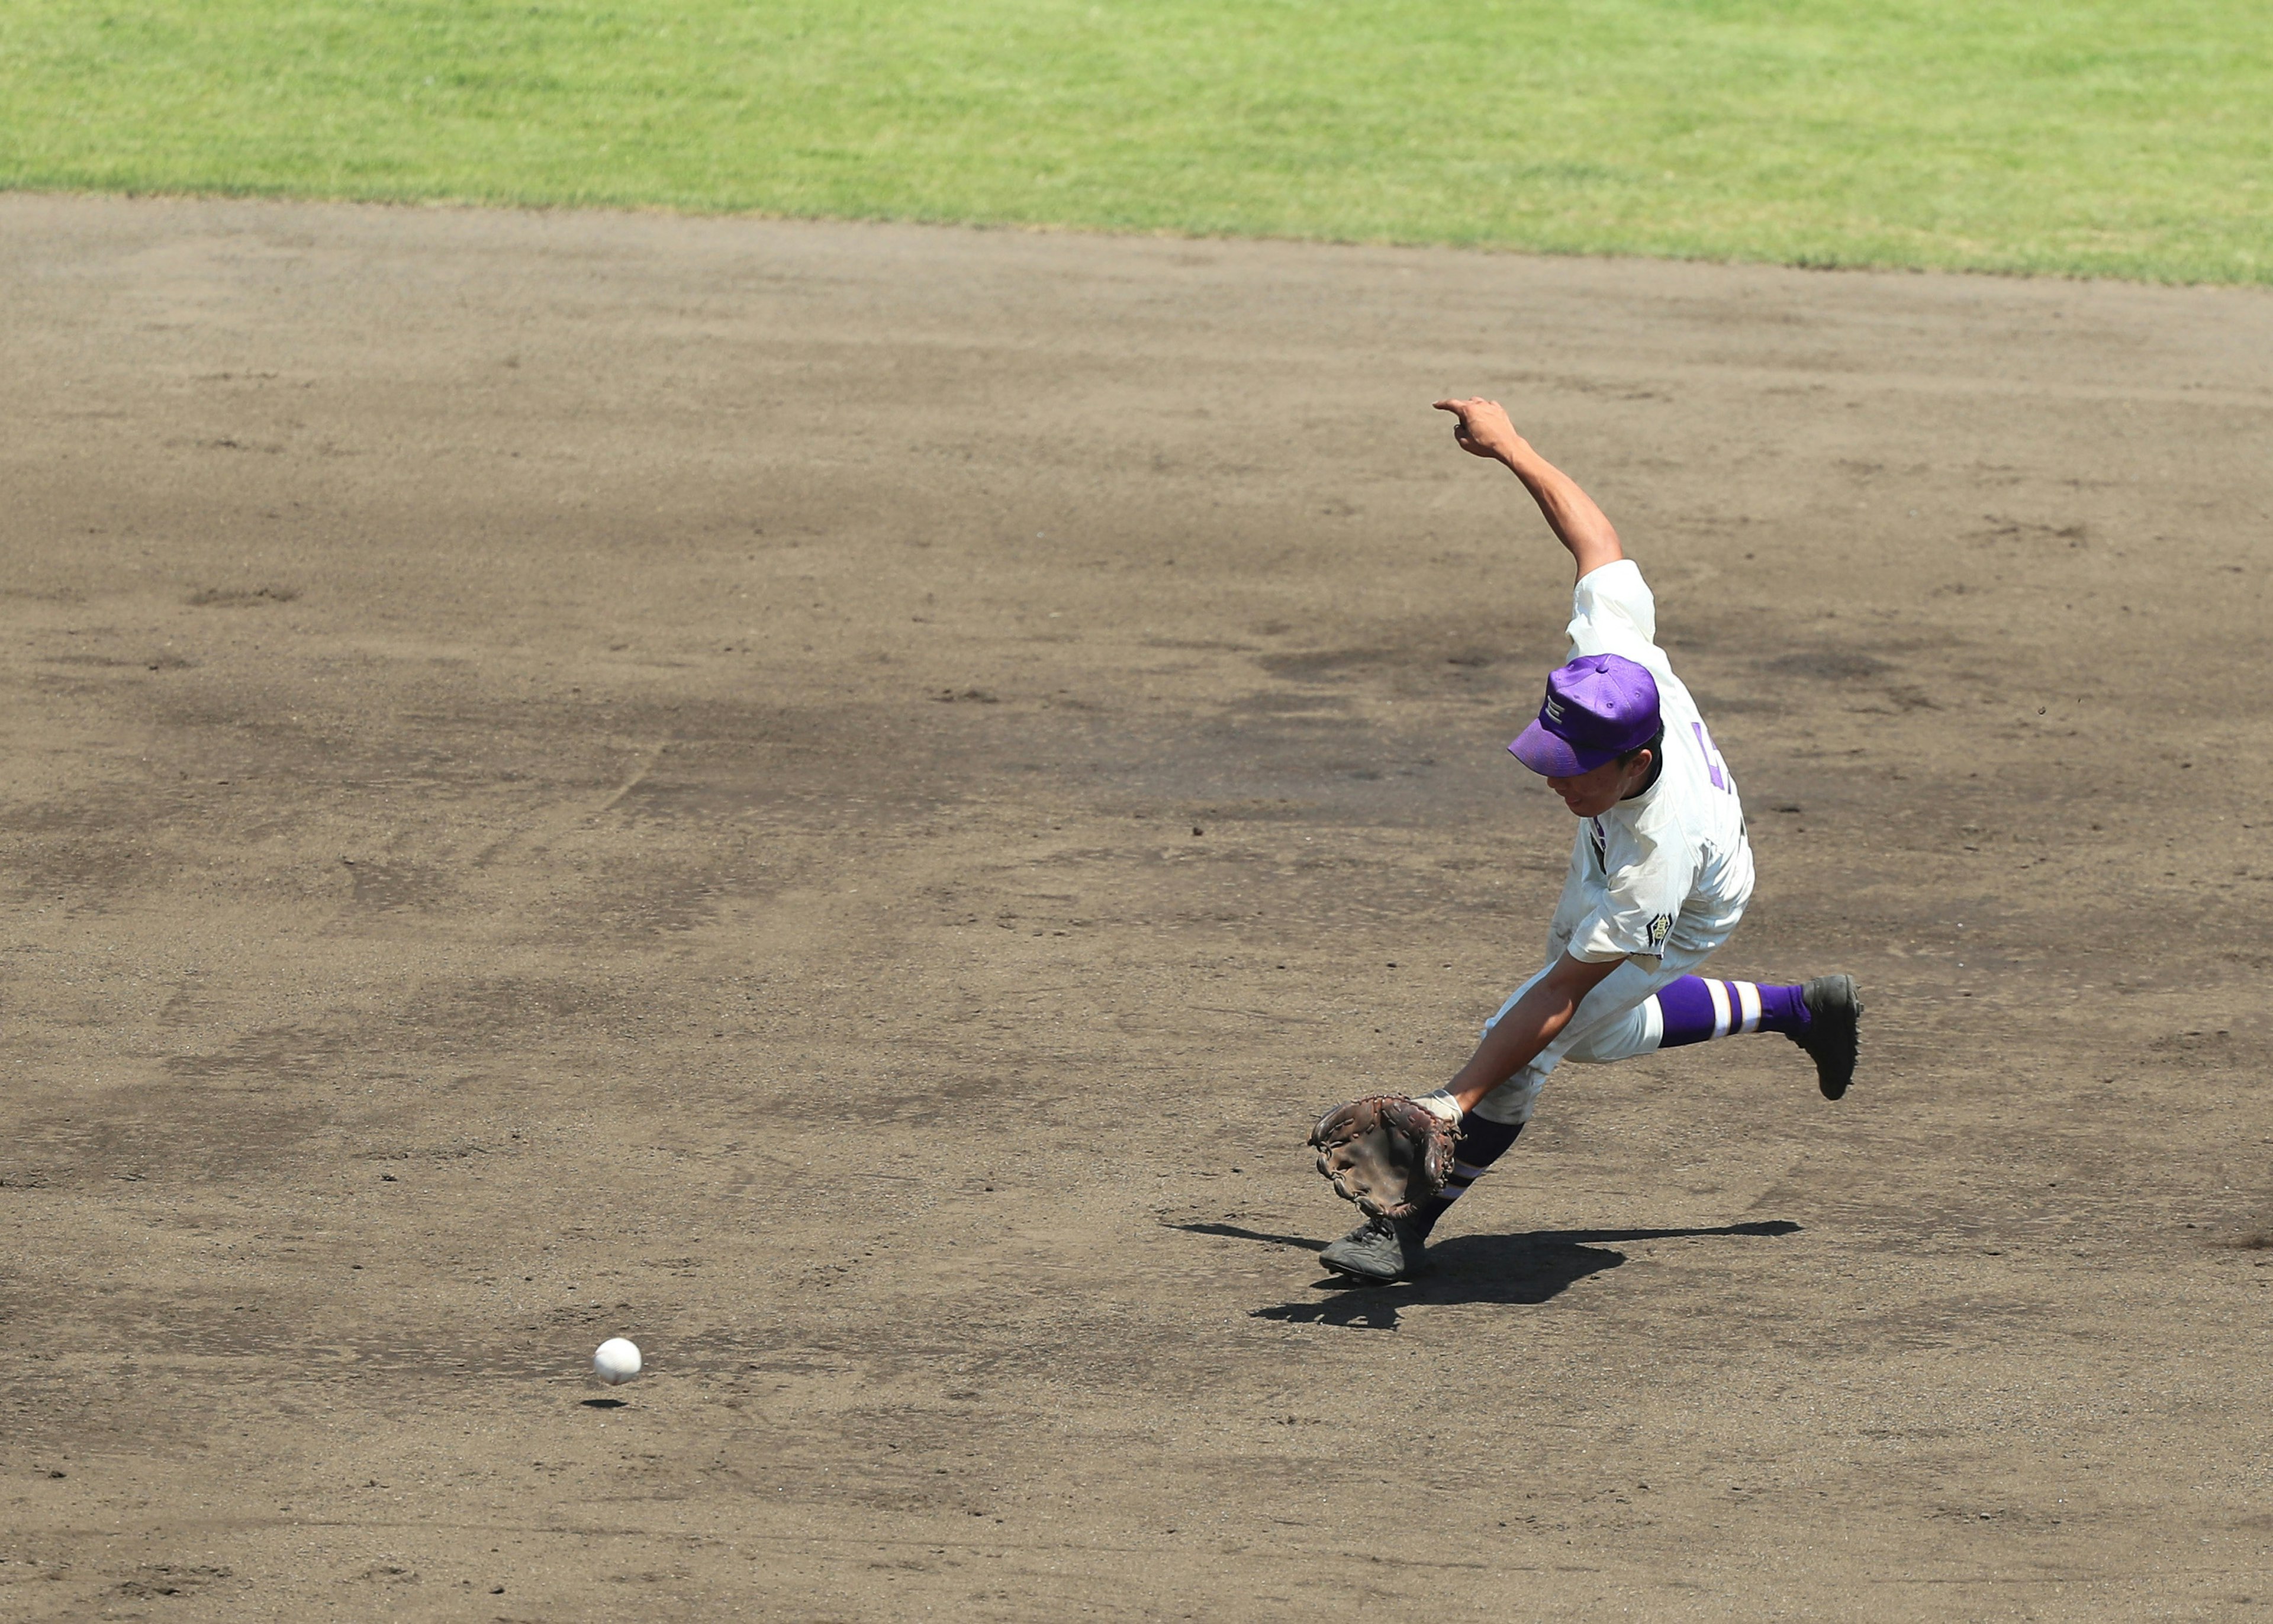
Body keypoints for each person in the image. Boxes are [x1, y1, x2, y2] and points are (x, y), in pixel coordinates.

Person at [1318, 399, 1862, 1284]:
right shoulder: (1615, 661)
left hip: (1691, 906)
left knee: (1525, 1044)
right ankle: (1800, 1007)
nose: (1553, 781)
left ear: (1635, 759)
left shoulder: (1655, 863)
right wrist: (1512, 448)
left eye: (1574, 770)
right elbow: (1597, 544)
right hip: (1618, 860)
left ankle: (1403, 1228)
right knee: (1594, 1039)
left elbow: (1565, 991)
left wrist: (1449, 1102)